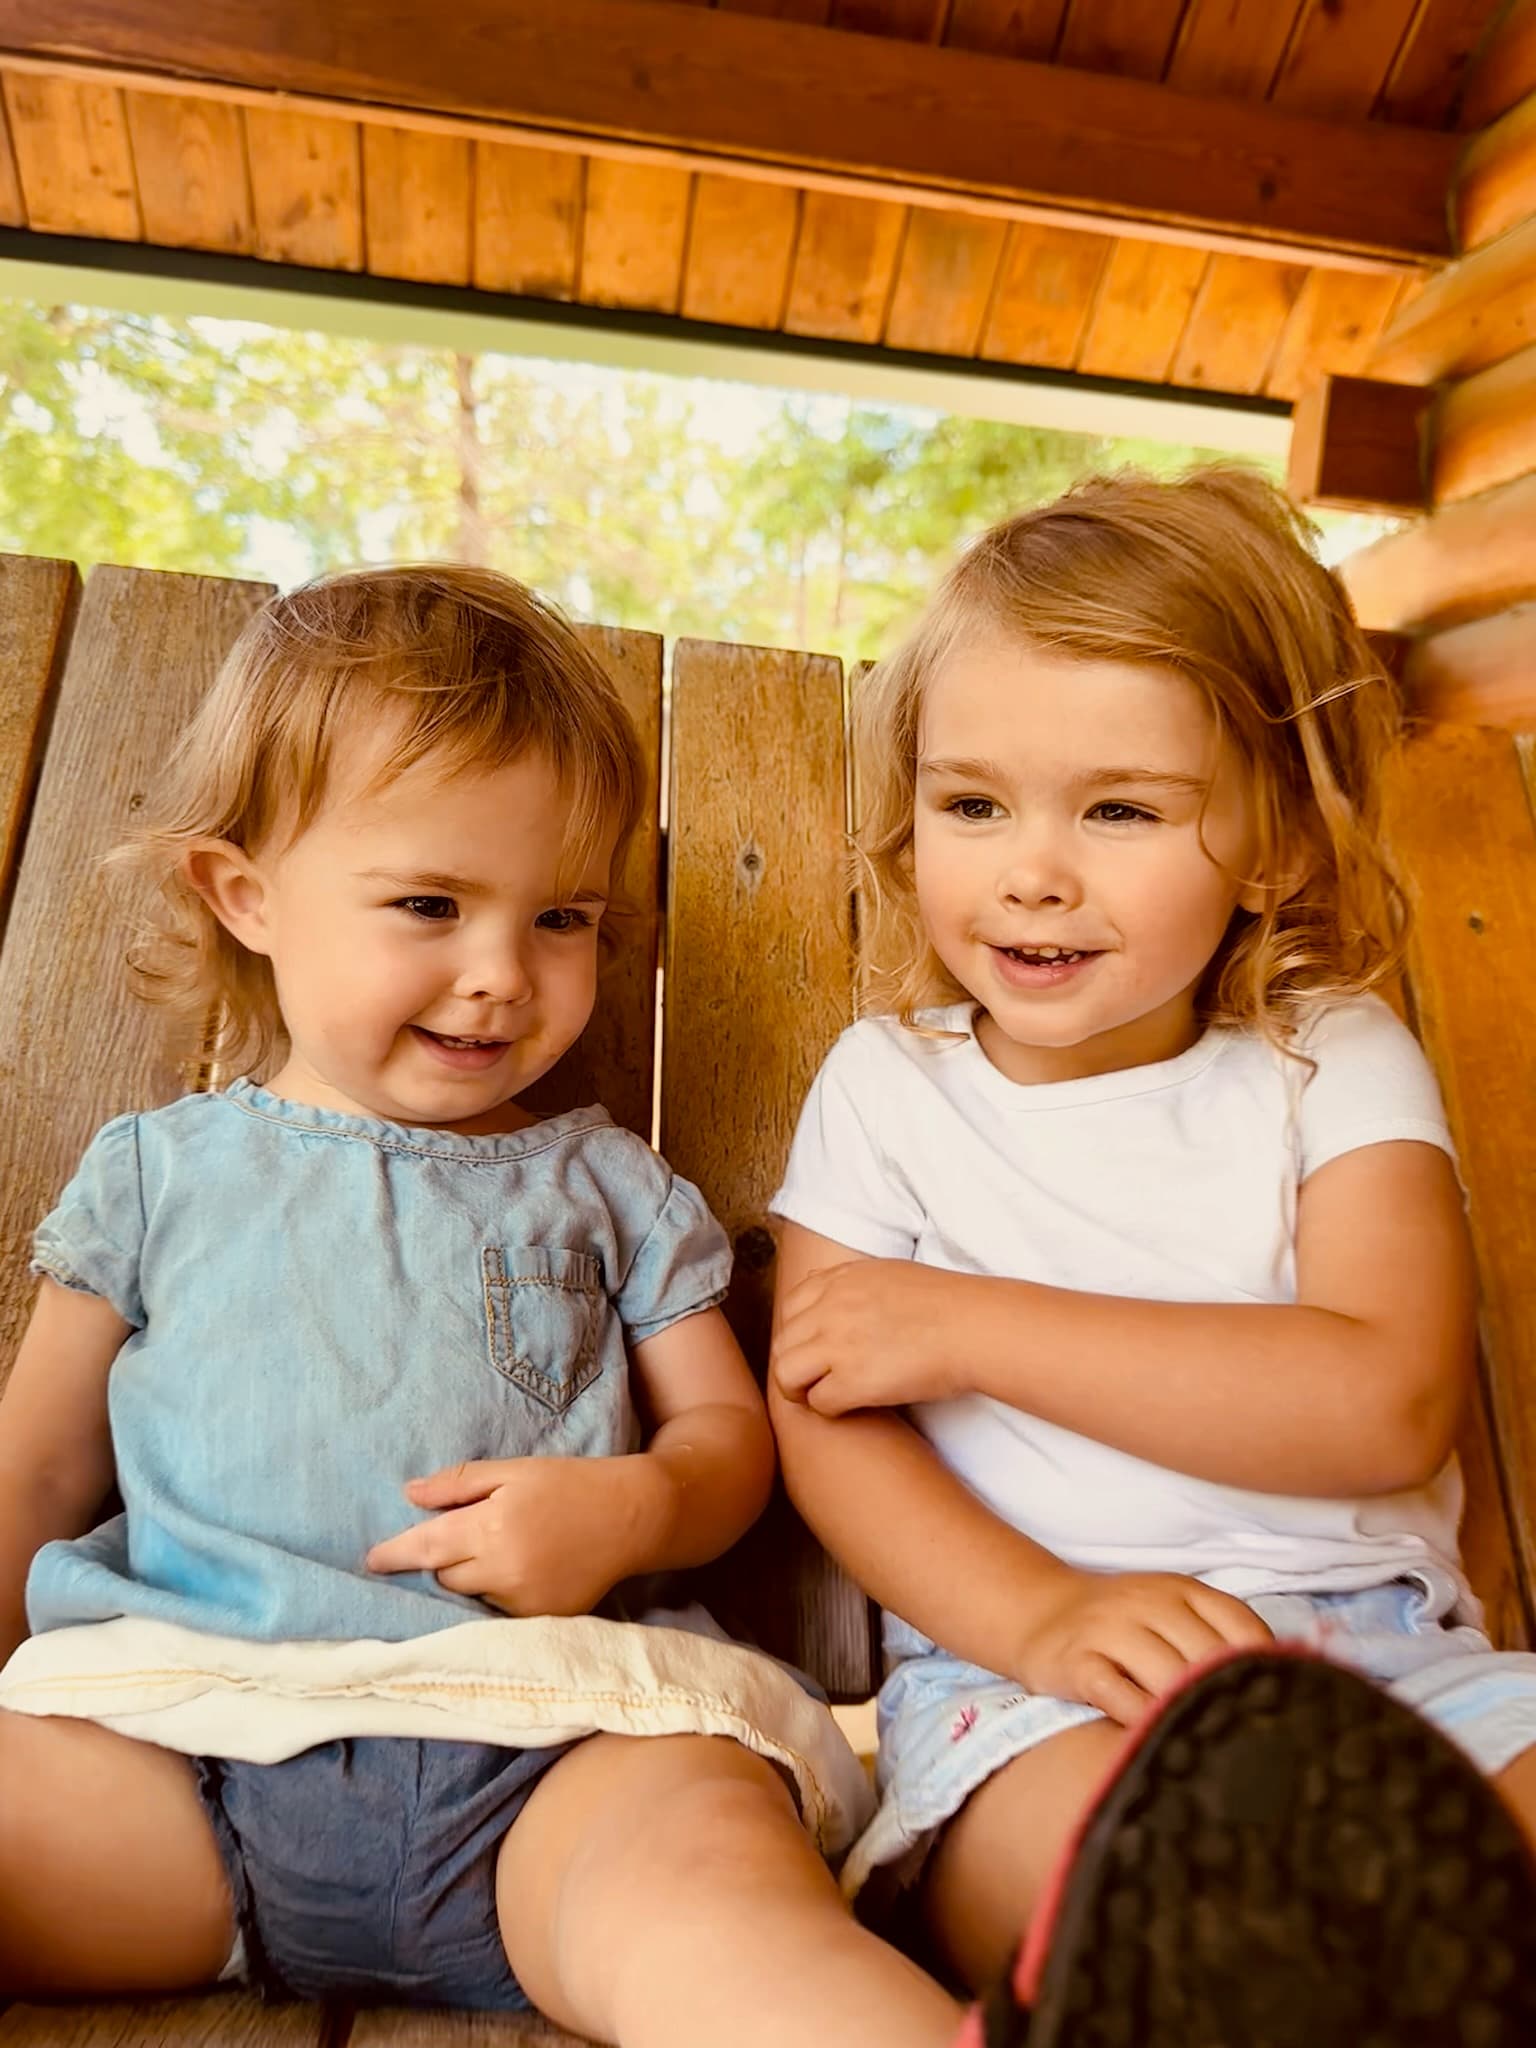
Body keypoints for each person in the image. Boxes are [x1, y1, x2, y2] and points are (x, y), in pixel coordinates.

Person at [0, 565, 960, 2048]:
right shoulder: (156, 1175)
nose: (504, 976)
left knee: (710, 1892)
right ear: (243, 892)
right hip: (177, 1741)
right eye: (432, 904)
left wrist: (632, 1511)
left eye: (564, 917)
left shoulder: (606, 1184)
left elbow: (726, 1438)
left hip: (556, 1748)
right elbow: (42, 1471)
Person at [769, 468, 1536, 2045]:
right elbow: (822, 1407)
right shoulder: (891, 1086)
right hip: (1035, 1688)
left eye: (1120, 809)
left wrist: (972, 1327)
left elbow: (1382, 1402)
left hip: (1385, 1663)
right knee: (1126, 1870)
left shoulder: (1330, 1056)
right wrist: (1042, 1614)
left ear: (1272, 843)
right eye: (973, 804)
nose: (1032, 868)